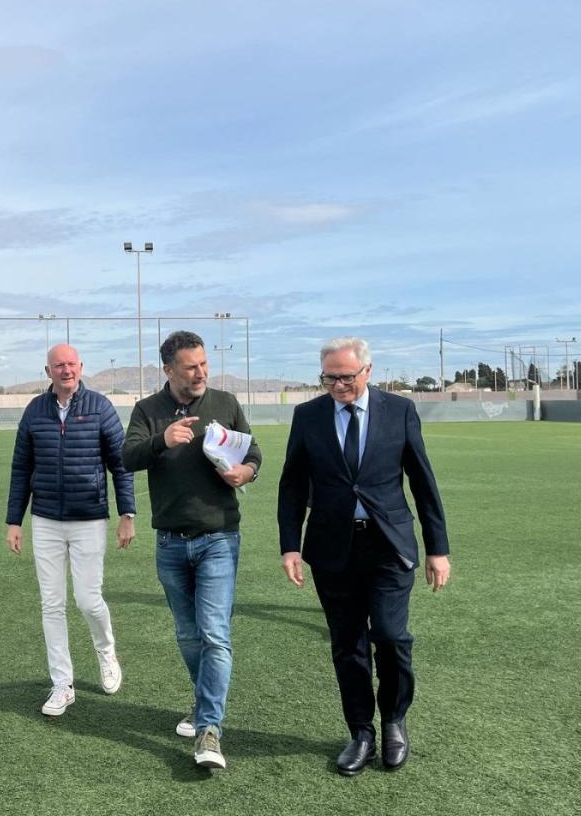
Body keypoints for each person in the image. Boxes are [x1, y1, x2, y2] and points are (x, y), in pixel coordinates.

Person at [277, 337, 451, 776]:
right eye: (330, 377)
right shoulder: (308, 416)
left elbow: (422, 480)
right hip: (332, 548)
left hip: (389, 545)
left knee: (391, 637)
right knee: (348, 647)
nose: (338, 385)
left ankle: (394, 720)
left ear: (368, 372)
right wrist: (290, 544)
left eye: (346, 377)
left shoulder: (400, 411)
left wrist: (438, 548)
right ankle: (361, 733)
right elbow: (293, 483)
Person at [122, 331, 261, 770]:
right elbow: (126, 458)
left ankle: (209, 730)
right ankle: (205, 707)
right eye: (190, 366)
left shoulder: (225, 403)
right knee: (188, 635)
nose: (200, 372)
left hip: (219, 536)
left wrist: (247, 472)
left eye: (203, 364)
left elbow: (252, 451)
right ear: (168, 370)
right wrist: (163, 439)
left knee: (215, 633)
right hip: (170, 542)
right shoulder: (148, 410)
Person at [6, 344, 136, 717]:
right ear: (48, 371)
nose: (66, 370)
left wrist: (127, 513)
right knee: (52, 603)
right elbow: (20, 469)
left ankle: (105, 650)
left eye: (71, 364)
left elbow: (121, 464)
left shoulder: (100, 407)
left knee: (87, 600)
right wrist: (14, 520)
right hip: (45, 520)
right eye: (58, 365)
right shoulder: (34, 411)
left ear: (81, 368)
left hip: (89, 519)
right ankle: (62, 683)